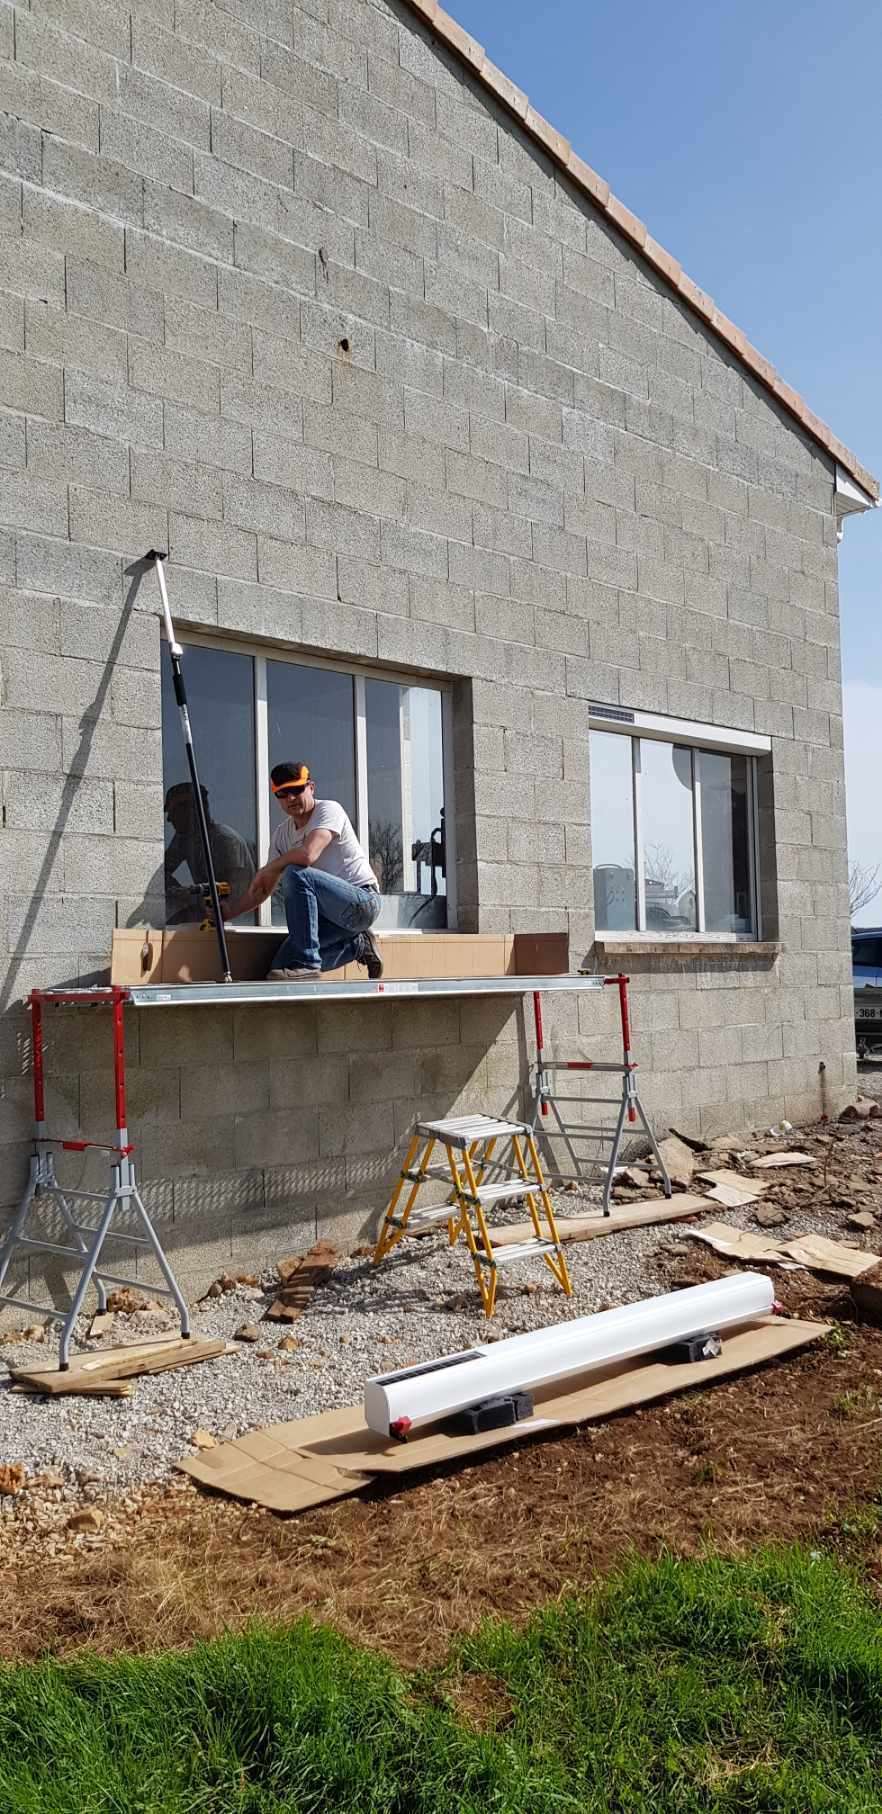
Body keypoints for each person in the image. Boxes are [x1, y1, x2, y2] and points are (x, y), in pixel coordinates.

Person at [222, 762, 384, 980]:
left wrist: (270, 867)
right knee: (281, 969)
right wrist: (228, 913)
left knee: (296, 873)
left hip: (361, 903)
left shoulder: (329, 810)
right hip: (328, 917)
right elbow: (263, 890)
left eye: (297, 790)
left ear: (311, 787)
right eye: (282, 793)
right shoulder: (282, 835)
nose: (290, 798)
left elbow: (308, 854)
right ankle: (358, 946)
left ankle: (308, 963)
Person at [164, 783, 256, 923]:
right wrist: (176, 891)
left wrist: (190, 895)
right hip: (207, 912)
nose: (169, 819)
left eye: (173, 811)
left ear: (191, 810)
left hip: (232, 920)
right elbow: (162, 872)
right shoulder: (185, 839)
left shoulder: (225, 840)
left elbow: (236, 896)